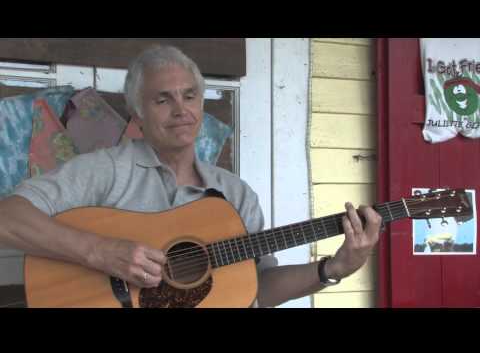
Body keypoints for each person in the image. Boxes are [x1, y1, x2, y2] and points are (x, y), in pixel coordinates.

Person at [0, 45, 381, 307]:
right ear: (138, 112)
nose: (180, 110)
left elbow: (260, 287)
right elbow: (7, 218)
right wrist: (102, 253)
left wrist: (334, 268)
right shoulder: (106, 170)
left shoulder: (235, 195)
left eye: (190, 95)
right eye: (162, 99)